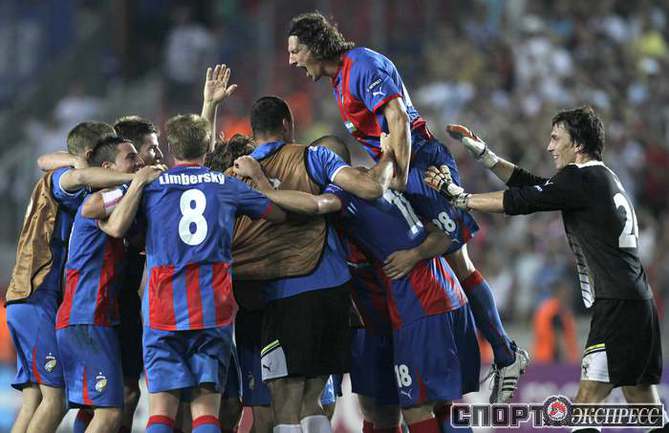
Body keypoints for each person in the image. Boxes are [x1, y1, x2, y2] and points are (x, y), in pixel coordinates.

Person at [286, 11, 528, 403]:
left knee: (456, 258)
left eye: (296, 51)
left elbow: (397, 117)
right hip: (405, 169)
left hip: (422, 164)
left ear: (314, 45)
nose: (292, 60)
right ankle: (493, 353)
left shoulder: (362, 64)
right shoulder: (339, 81)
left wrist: (397, 173)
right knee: (447, 260)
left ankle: (505, 353)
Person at [425, 106, 667, 432]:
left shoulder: (580, 178)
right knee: (644, 404)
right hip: (638, 302)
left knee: (586, 405)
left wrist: (460, 197)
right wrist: (487, 157)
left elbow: (521, 201)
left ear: (577, 145)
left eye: (556, 138)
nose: (550, 146)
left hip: (617, 305)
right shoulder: (601, 177)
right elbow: (535, 187)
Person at [234, 134, 480, 433]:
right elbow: (445, 230)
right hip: (440, 293)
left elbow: (315, 204)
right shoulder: (383, 181)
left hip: (416, 301)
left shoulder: (343, 192)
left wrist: (262, 185)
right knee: (433, 403)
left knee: (416, 407)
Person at [228, 96, 392, 433]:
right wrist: (390, 156)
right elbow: (368, 188)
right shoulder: (315, 156)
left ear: (253, 131)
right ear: (286, 125)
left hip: (283, 294)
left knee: (284, 401)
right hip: (333, 289)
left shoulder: (236, 175)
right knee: (313, 399)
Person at [137, 114, 285, 433]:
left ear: (170, 147)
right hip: (211, 307)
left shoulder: (151, 187)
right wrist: (260, 182)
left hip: (163, 308)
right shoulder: (226, 185)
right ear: (207, 147)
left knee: (161, 413)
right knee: (206, 412)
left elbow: (108, 215)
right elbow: (276, 213)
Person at [6, 122, 138, 433]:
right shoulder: (65, 179)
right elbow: (77, 176)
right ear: (92, 156)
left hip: (27, 298)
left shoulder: (58, 171)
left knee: (35, 399)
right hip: (37, 295)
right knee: (56, 400)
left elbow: (44, 159)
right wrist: (134, 179)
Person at [55, 135, 164, 433]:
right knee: (110, 414)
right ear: (107, 167)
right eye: (130, 157)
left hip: (88, 317)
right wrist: (139, 182)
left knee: (100, 407)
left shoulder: (119, 199)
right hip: (88, 316)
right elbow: (105, 218)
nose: (138, 163)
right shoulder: (101, 199)